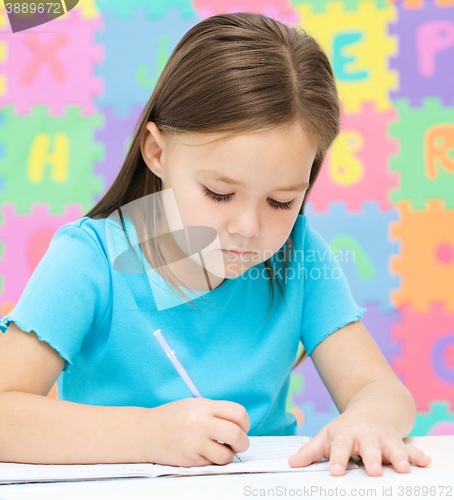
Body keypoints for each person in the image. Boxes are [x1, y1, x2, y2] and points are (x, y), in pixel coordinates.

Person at [0, 12, 431, 476]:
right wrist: (150, 434)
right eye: (219, 193)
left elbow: (381, 389)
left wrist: (370, 418)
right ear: (158, 152)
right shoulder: (91, 261)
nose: (247, 226)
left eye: (282, 201)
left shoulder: (297, 258)